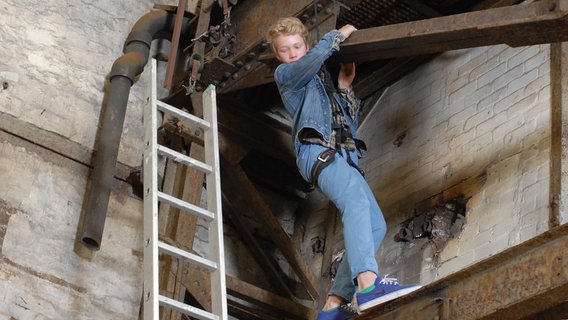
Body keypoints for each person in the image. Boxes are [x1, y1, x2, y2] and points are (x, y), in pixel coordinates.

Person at [265, 17, 421, 320]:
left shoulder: (321, 85)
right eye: (285, 49)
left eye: (297, 46)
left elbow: (346, 127)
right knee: (356, 203)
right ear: (278, 56)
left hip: (342, 157)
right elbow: (309, 63)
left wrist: (345, 87)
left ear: (305, 44)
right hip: (318, 153)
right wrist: (336, 36)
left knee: (376, 225)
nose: (293, 53)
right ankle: (367, 286)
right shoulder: (287, 75)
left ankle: (333, 307)